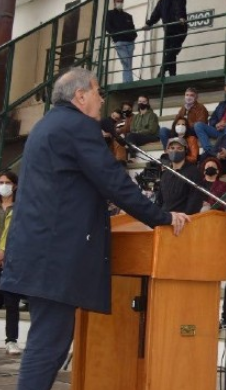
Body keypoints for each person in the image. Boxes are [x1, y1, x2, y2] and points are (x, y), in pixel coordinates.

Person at [0, 67, 188, 390]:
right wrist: (163, 217)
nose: (102, 99)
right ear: (80, 96)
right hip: (55, 256)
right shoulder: (77, 127)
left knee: (49, 341)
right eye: (98, 92)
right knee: (48, 345)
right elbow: (114, 182)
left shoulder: (48, 125)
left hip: (40, 250)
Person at [144, 0, 188, 78]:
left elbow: (180, 8)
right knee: (169, 53)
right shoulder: (163, 1)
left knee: (172, 51)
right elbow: (156, 13)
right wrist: (149, 23)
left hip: (179, 28)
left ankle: (162, 71)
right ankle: (172, 75)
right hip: (168, 30)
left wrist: (181, 17)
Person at [0, 171, 21, 355]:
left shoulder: (20, 208)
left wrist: (5, 251)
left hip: (12, 261)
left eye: (7, 182)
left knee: (12, 302)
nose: (4, 186)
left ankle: (11, 340)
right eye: (1, 182)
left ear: (14, 185)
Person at [194, 82, 226, 154]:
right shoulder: (222, 104)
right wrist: (216, 124)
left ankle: (220, 149)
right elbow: (212, 119)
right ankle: (208, 150)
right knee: (198, 125)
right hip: (218, 131)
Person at [159, 137, 204, 214]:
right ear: (167, 151)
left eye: (179, 148)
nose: (175, 151)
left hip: (184, 220)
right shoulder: (165, 174)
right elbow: (160, 199)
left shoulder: (194, 172)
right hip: (165, 219)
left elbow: (195, 200)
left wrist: (184, 217)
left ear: (185, 151)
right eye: (172, 148)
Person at [105, 0, 137, 83]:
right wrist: (116, 35)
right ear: (114, 2)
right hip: (120, 42)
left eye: (121, 1)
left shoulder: (128, 16)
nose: (120, 3)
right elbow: (107, 26)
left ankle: (128, 82)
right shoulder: (110, 14)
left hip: (130, 42)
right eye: (118, 1)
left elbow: (132, 28)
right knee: (126, 62)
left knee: (128, 63)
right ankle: (128, 82)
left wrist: (133, 36)